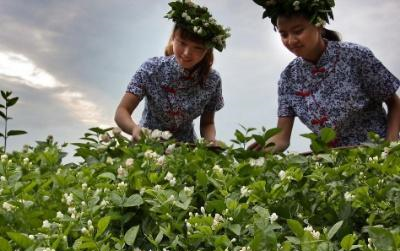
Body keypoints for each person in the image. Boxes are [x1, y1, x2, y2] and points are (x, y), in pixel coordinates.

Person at [250, 0, 400, 152]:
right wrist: (261, 150)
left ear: (319, 26)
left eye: (298, 31)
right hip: (332, 165)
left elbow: (395, 104)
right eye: (284, 34)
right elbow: (281, 138)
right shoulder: (288, 78)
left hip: (377, 156)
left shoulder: (355, 56)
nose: (291, 40)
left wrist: (389, 148)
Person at [115, 0, 230, 143]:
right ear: (173, 38)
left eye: (198, 48)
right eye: (182, 43)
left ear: (207, 50)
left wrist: (211, 141)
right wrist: (134, 129)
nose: (187, 53)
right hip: (147, 145)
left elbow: (207, 123)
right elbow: (122, 111)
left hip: (186, 150)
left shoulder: (213, 80)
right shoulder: (151, 68)